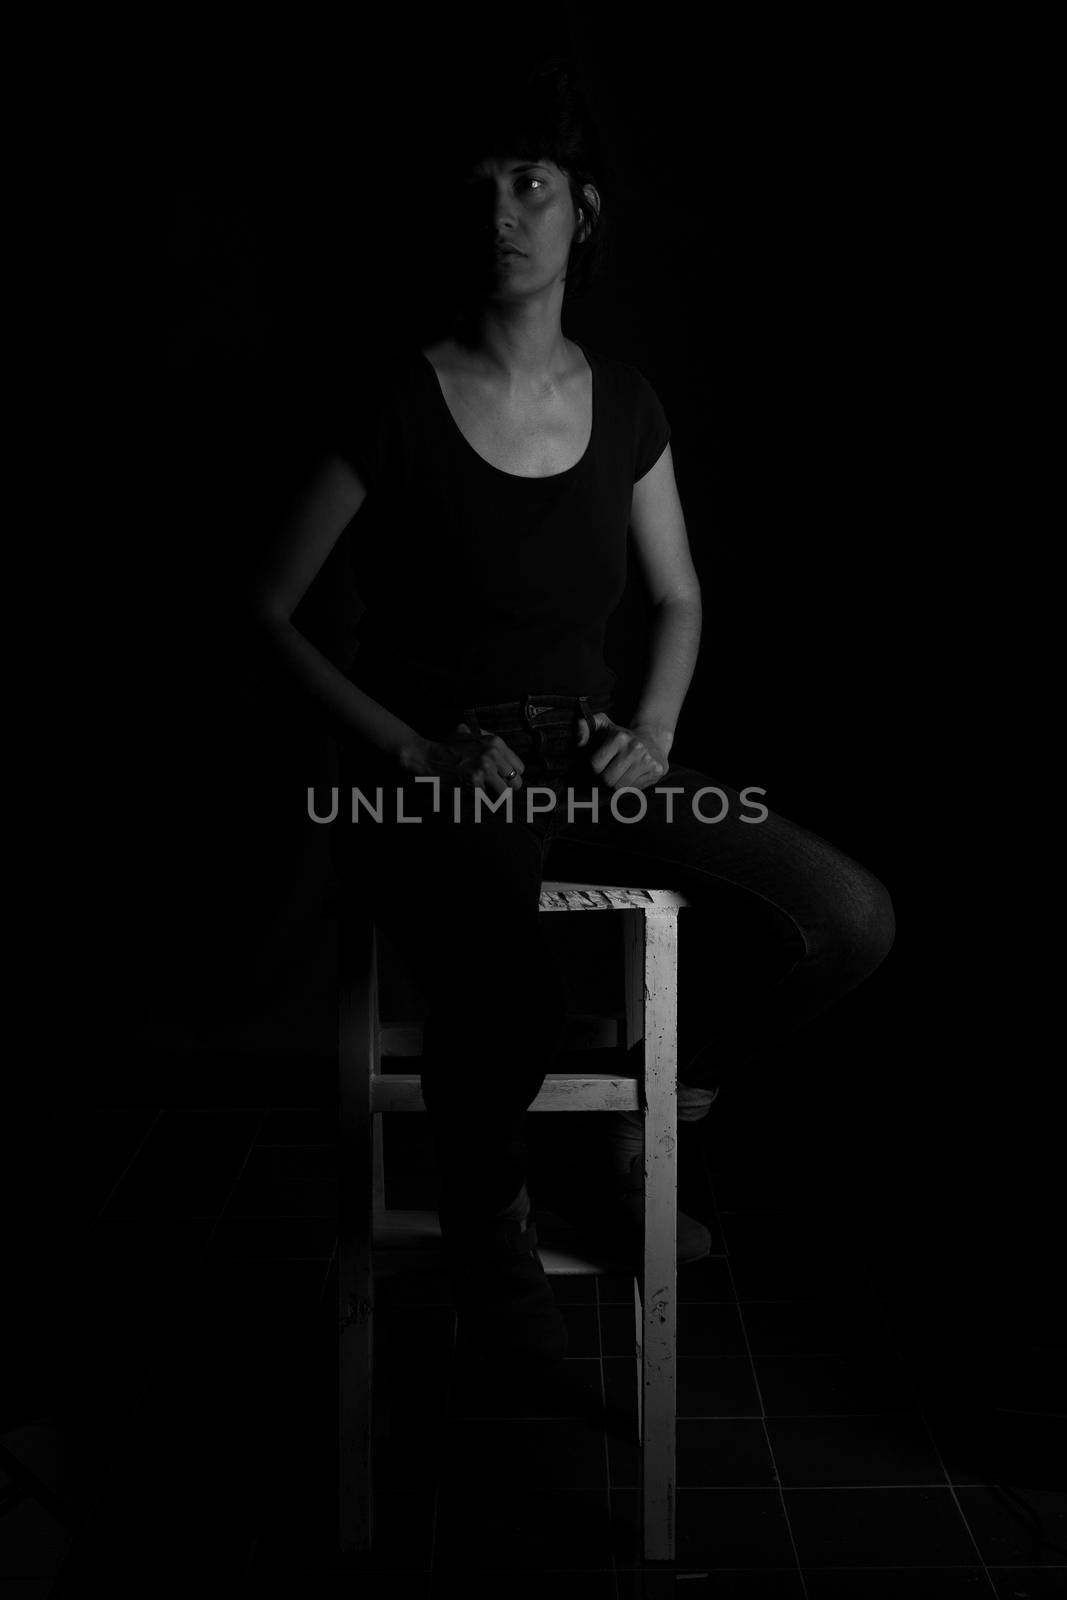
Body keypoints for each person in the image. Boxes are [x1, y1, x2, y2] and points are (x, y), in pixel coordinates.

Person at [249, 60, 894, 1367]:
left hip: (585, 766)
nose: (505, 211)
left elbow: (682, 599)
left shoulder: (629, 403)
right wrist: (413, 749)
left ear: (582, 210)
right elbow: (261, 610)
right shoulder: (395, 400)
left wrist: (649, 733)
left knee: (842, 919)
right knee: (514, 996)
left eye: (532, 184)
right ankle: (494, 1238)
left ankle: (656, 1113)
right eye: (480, 186)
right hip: (432, 777)